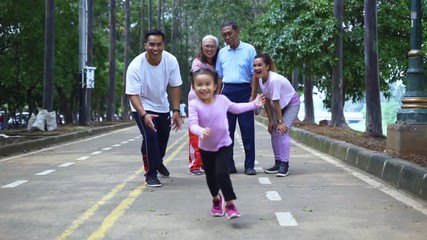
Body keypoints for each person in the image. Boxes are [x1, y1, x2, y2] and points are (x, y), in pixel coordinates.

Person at [188, 68, 265, 219]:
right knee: (211, 178)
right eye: (199, 85)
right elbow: (192, 124)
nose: (204, 88)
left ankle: (230, 204)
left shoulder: (222, 100)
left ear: (215, 86)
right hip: (206, 148)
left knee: (222, 173)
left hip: (224, 144)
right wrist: (200, 131)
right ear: (193, 87)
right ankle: (216, 199)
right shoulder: (194, 104)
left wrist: (254, 104)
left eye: (207, 84)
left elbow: (236, 108)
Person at [126, 29, 183, 187]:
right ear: (146, 45)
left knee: (162, 139)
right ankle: (151, 174)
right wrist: (144, 115)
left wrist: (176, 111)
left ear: (163, 45)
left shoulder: (170, 61)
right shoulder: (135, 66)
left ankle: (157, 162)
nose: (155, 48)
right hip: (141, 106)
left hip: (162, 105)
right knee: (150, 136)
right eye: (152, 44)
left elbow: (175, 85)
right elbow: (132, 94)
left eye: (159, 44)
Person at [215, 20, 258, 175]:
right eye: (224, 35)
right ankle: (229, 165)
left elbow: (254, 74)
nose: (227, 37)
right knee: (227, 131)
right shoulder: (222, 53)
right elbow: (219, 76)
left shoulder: (249, 49)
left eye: (229, 33)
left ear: (237, 31)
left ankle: (249, 165)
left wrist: (252, 96)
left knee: (247, 130)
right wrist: (218, 96)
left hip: (245, 91)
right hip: (228, 92)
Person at [253, 53, 300, 177]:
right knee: (274, 131)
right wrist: (270, 121)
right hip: (277, 106)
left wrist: (280, 122)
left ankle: (284, 165)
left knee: (283, 130)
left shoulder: (274, 80)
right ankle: (278, 162)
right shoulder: (260, 79)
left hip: (291, 104)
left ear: (267, 66)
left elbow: (276, 103)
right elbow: (267, 101)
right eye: (255, 65)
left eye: (260, 65)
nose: (257, 68)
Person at [188, 35, 219, 176]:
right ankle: (195, 165)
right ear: (202, 47)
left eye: (212, 46)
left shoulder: (218, 63)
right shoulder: (197, 63)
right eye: (206, 46)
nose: (209, 48)